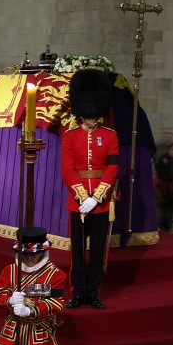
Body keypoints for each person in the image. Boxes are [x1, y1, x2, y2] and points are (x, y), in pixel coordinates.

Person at [63, 68, 119, 310]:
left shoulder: (110, 136)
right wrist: (82, 196)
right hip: (77, 202)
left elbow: (113, 167)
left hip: (101, 203)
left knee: (96, 251)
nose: (91, 118)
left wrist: (96, 198)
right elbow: (67, 169)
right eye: (88, 114)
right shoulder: (70, 136)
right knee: (77, 251)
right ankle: (77, 291)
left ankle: (93, 291)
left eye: (94, 114)